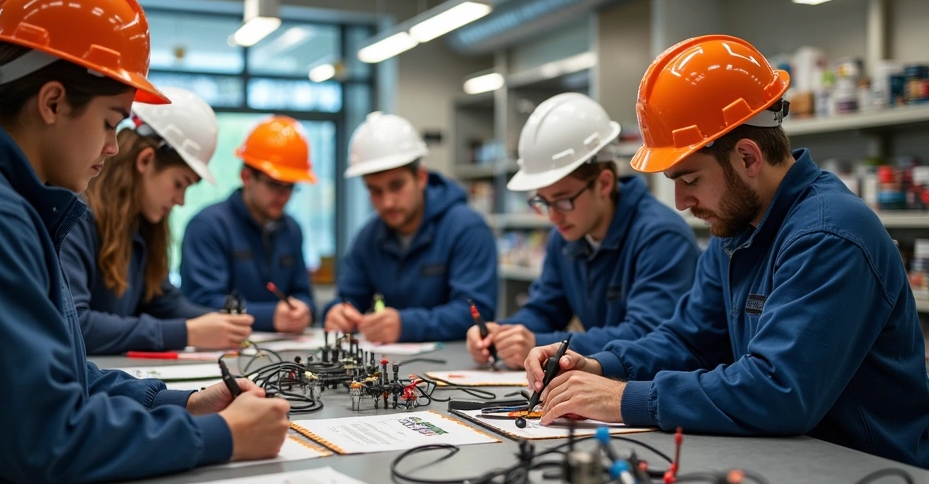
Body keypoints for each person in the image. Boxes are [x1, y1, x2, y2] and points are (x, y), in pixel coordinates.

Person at [0, 0, 289, 484]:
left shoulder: (6, 201)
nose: (114, 148)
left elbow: (62, 375)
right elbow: (47, 440)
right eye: (111, 122)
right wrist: (218, 438)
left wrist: (179, 401)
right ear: (53, 101)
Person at [524, 35, 929, 468]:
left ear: (749, 157)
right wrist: (599, 366)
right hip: (791, 460)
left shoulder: (829, 234)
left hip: (870, 478)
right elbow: (690, 340)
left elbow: (779, 391)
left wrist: (623, 398)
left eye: (690, 179)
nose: (680, 201)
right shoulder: (736, 229)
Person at [465, 93, 698, 368]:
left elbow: (647, 335)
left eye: (563, 200)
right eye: (543, 201)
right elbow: (544, 309)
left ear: (604, 183)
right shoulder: (566, 235)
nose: (553, 215)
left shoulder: (661, 237)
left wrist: (538, 342)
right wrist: (502, 333)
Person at [61, 86, 255, 355]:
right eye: (179, 184)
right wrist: (187, 332)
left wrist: (224, 323)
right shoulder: (77, 218)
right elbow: (77, 326)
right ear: (146, 160)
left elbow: (162, 301)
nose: (181, 201)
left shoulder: (139, 228)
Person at [324, 112, 497, 343]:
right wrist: (337, 312)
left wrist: (407, 325)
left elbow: (478, 312)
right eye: (375, 191)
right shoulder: (369, 236)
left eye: (396, 186)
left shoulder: (467, 229)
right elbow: (349, 298)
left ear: (421, 177)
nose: (387, 202)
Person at [181, 116, 316, 334]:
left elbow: (303, 293)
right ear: (246, 177)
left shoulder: (291, 230)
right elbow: (201, 302)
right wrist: (269, 316)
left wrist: (305, 309)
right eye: (274, 185)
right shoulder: (208, 226)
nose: (283, 196)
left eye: (290, 187)